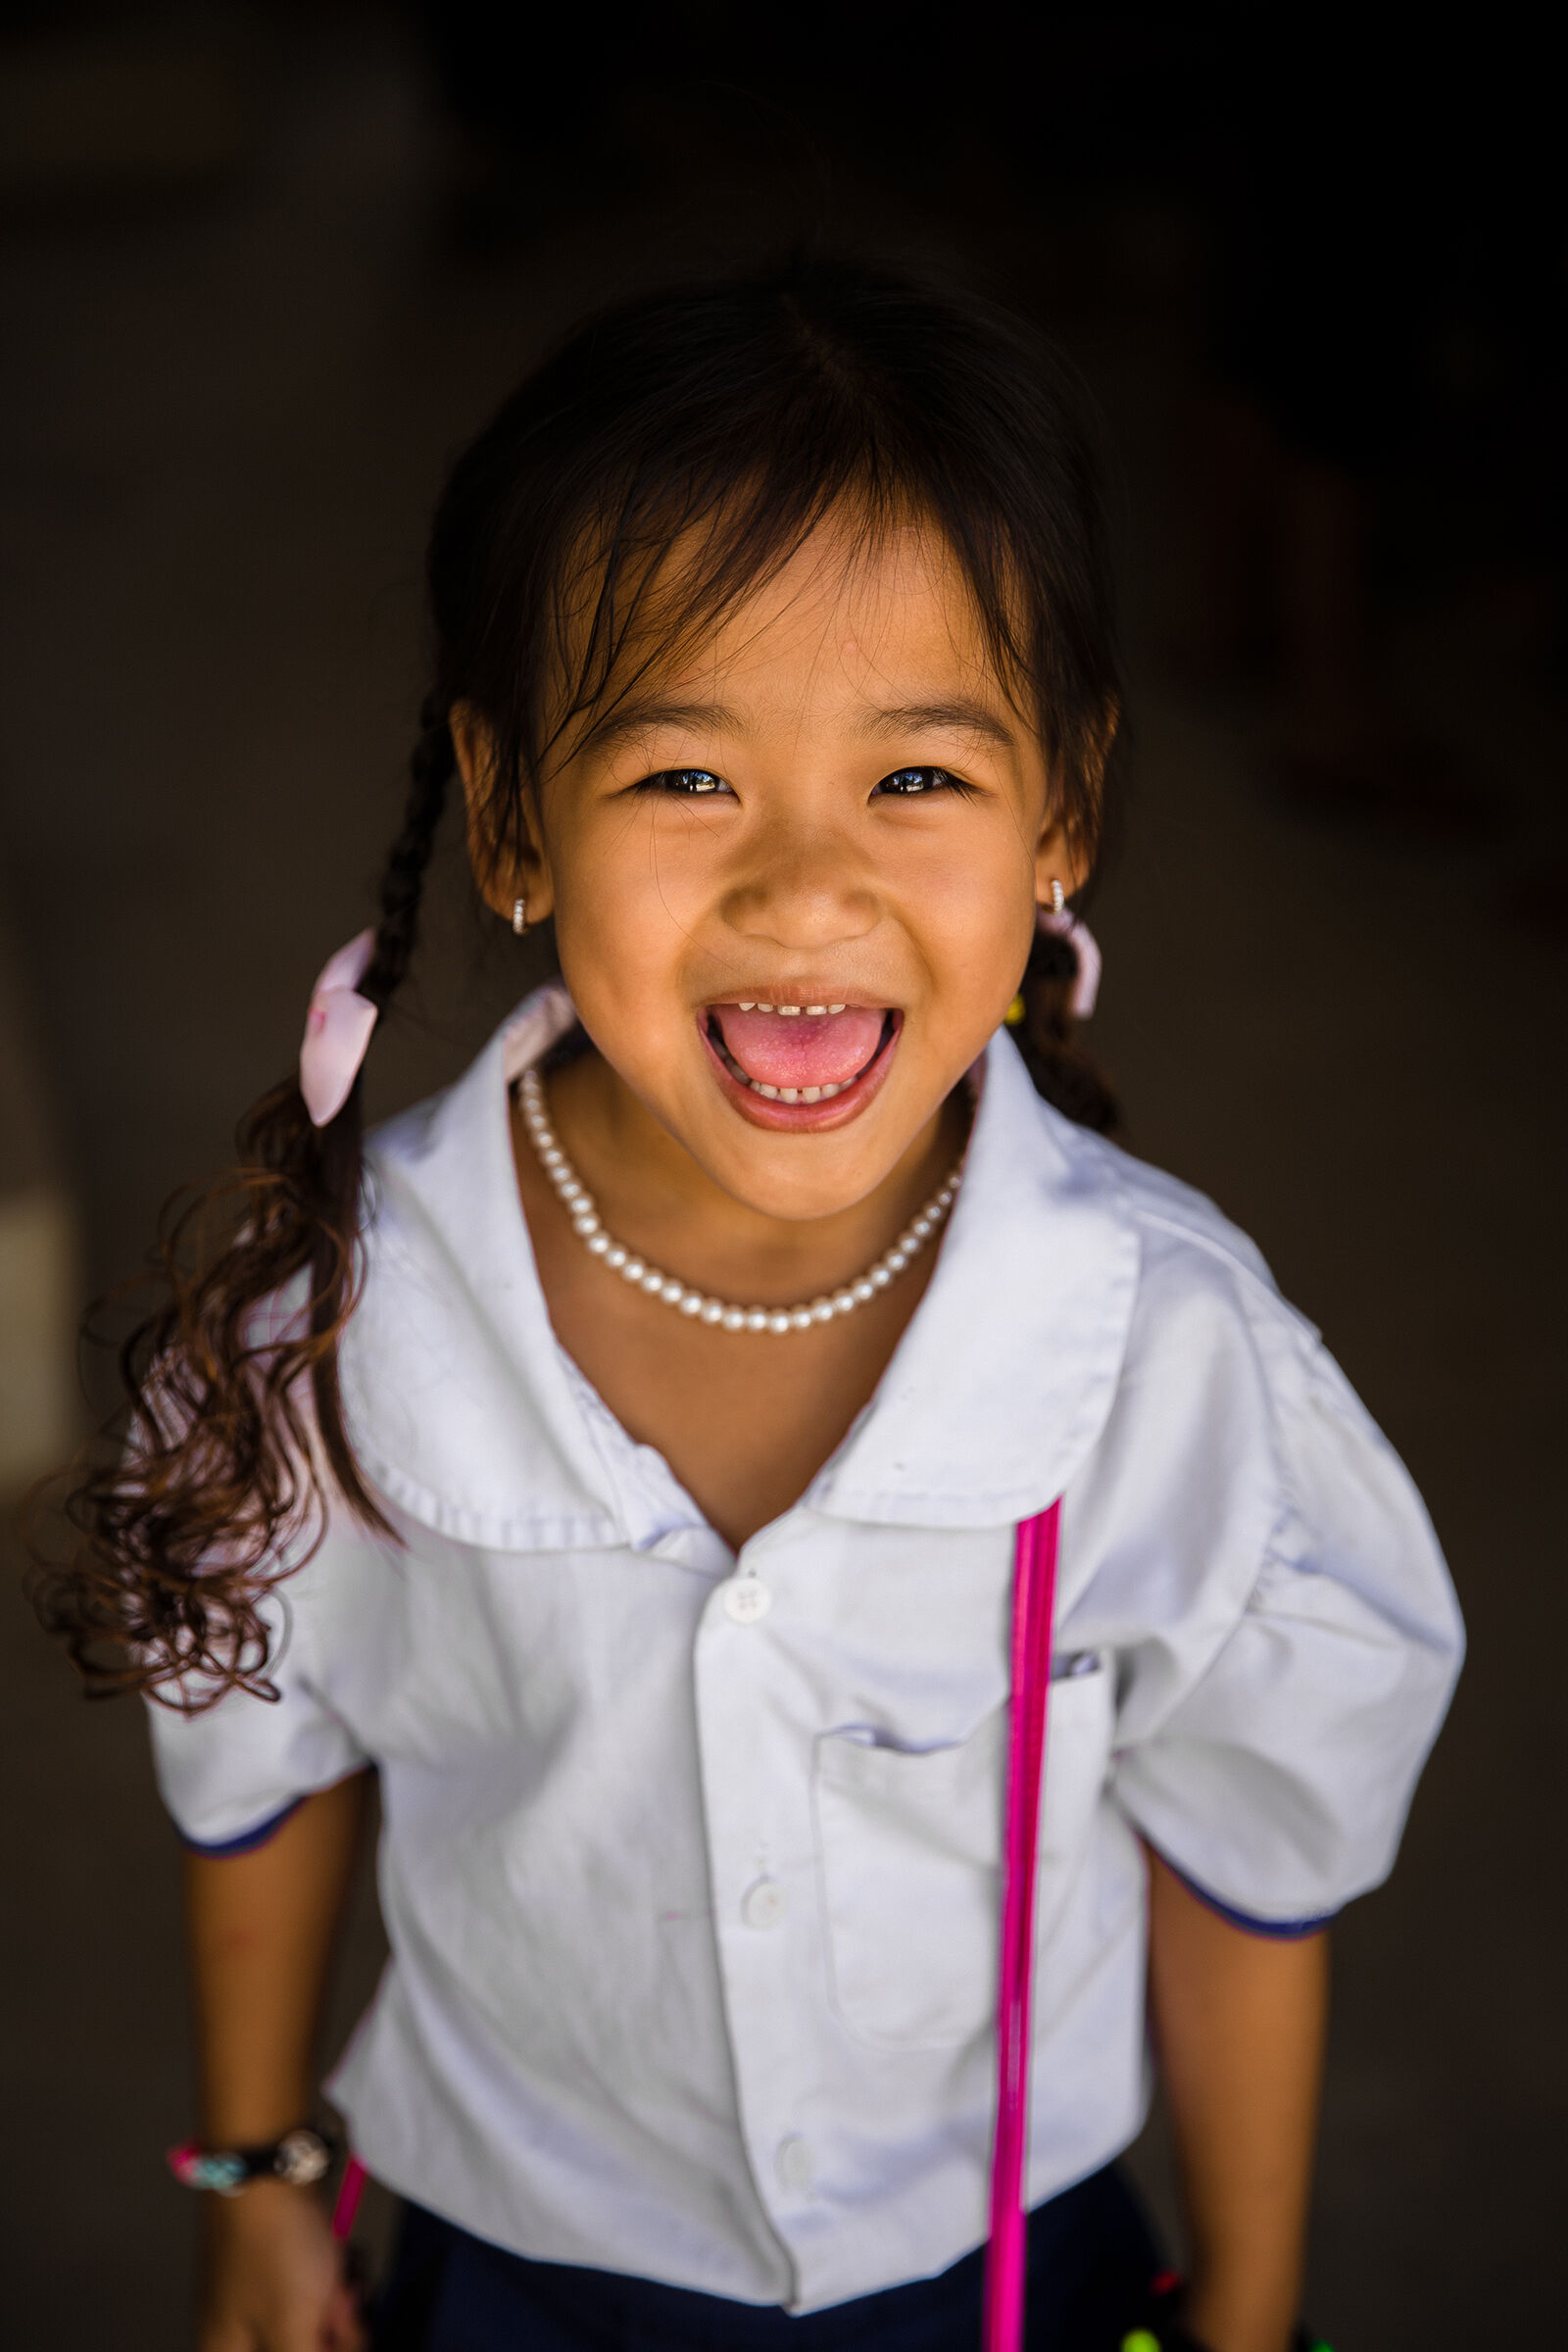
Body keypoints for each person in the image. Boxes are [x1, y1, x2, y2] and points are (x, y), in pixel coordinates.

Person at [40, 261, 1462, 2352]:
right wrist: (256, 2178)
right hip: (502, 2276)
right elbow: (262, 1763)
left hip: (999, 2289)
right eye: (684, 778)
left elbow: (1245, 1865)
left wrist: (1242, 2321)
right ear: (515, 809)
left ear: (1059, 807)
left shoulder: (1171, 1358)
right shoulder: (345, 1326)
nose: (805, 891)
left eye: (915, 779)